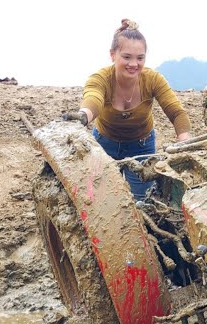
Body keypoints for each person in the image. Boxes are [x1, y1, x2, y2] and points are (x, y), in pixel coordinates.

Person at [77, 19, 193, 200]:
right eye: (126, 57)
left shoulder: (153, 79)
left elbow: (176, 112)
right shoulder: (101, 78)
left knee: (144, 200)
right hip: (104, 142)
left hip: (142, 147)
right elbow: (94, 99)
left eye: (140, 58)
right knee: (102, 198)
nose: (134, 64)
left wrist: (184, 140)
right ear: (112, 55)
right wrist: (83, 116)